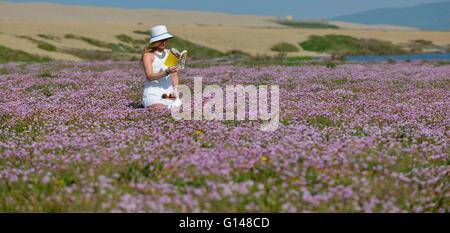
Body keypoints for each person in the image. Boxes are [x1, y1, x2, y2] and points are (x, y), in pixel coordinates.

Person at [141, 25, 182, 109]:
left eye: (165, 40)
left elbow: (174, 75)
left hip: (168, 92)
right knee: (161, 110)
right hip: (153, 93)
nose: (164, 43)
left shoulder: (171, 53)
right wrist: (166, 72)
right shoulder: (148, 55)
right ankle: (146, 103)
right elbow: (150, 76)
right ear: (155, 42)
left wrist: (176, 89)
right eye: (161, 41)